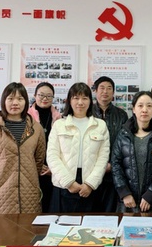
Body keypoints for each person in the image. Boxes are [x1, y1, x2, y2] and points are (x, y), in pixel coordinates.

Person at [0, 82, 45, 214]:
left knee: (27, 227)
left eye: (20, 99)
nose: (15, 103)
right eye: (10, 98)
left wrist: (27, 176)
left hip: (27, 192)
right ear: (4, 101)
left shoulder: (36, 128)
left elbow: (38, 160)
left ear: (26, 102)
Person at [46, 82, 109, 213]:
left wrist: (90, 184)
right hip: (63, 183)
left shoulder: (100, 125)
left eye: (84, 98)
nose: (80, 102)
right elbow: (52, 156)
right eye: (76, 98)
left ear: (90, 101)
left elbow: (103, 158)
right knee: (63, 223)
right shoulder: (59, 125)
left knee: (90, 223)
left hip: (90, 184)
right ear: (69, 100)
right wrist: (68, 182)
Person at [111, 91, 152, 213]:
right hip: (128, 202)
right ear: (133, 109)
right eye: (140, 105)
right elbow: (116, 165)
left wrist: (151, 195)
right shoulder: (123, 134)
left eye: (149, 106)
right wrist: (124, 193)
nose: (144, 110)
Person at [92, 76, 128, 212]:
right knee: (91, 211)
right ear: (95, 91)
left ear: (113, 92)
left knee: (110, 211)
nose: (105, 91)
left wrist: (113, 164)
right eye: (102, 88)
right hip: (90, 171)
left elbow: (125, 143)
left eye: (109, 88)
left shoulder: (122, 115)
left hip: (113, 171)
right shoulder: (87, 112)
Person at [28, 82, 62, 212]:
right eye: (41, 95)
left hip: (53, 170)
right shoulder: (26, 117)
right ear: (35, 96)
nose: (45, 98)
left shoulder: (59, 118)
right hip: (31, 168)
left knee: (50, 208)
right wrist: (37, 166)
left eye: (49, 96)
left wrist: (53, 168)